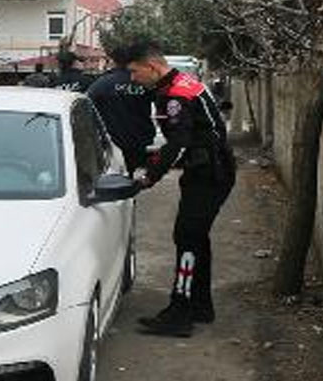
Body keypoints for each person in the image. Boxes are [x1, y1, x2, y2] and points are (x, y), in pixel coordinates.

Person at [125, 39, 236, 338]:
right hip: (210, 168)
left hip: (210, 173)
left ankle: (180, 312)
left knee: (187, 236)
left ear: (152, 66)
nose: (134, 79)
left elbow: (177, 142)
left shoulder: (174, 95)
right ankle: (201, 306)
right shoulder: (183, 84)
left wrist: (149, 175)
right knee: (196, 237)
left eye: (135, 72)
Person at [86, 45, 156, 172]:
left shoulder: (102, 83)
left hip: (113, 140)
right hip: (139, 139)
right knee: (132, 173)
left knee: (116, 175)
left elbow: (87, 105)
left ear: (113, 60)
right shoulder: (142, 81)